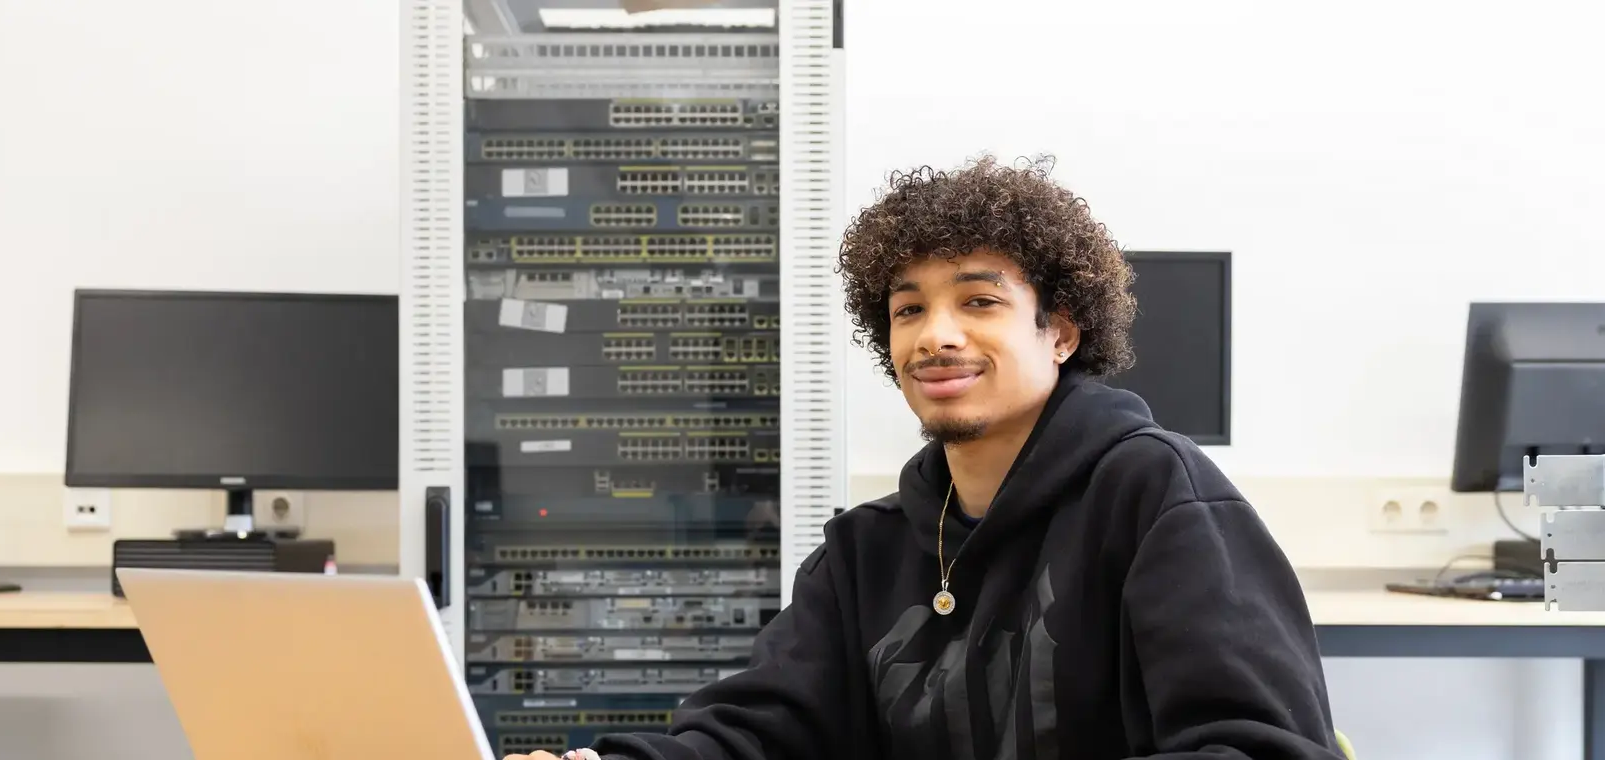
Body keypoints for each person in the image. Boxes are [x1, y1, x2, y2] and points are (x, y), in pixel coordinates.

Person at [506, 155, 1344, 760]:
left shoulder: (1158, 497)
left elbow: (1256, 745)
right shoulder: (865, 551)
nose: (936, 335)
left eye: (979, 301)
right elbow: (760, 728)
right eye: (909, 311)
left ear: (1060, 331)